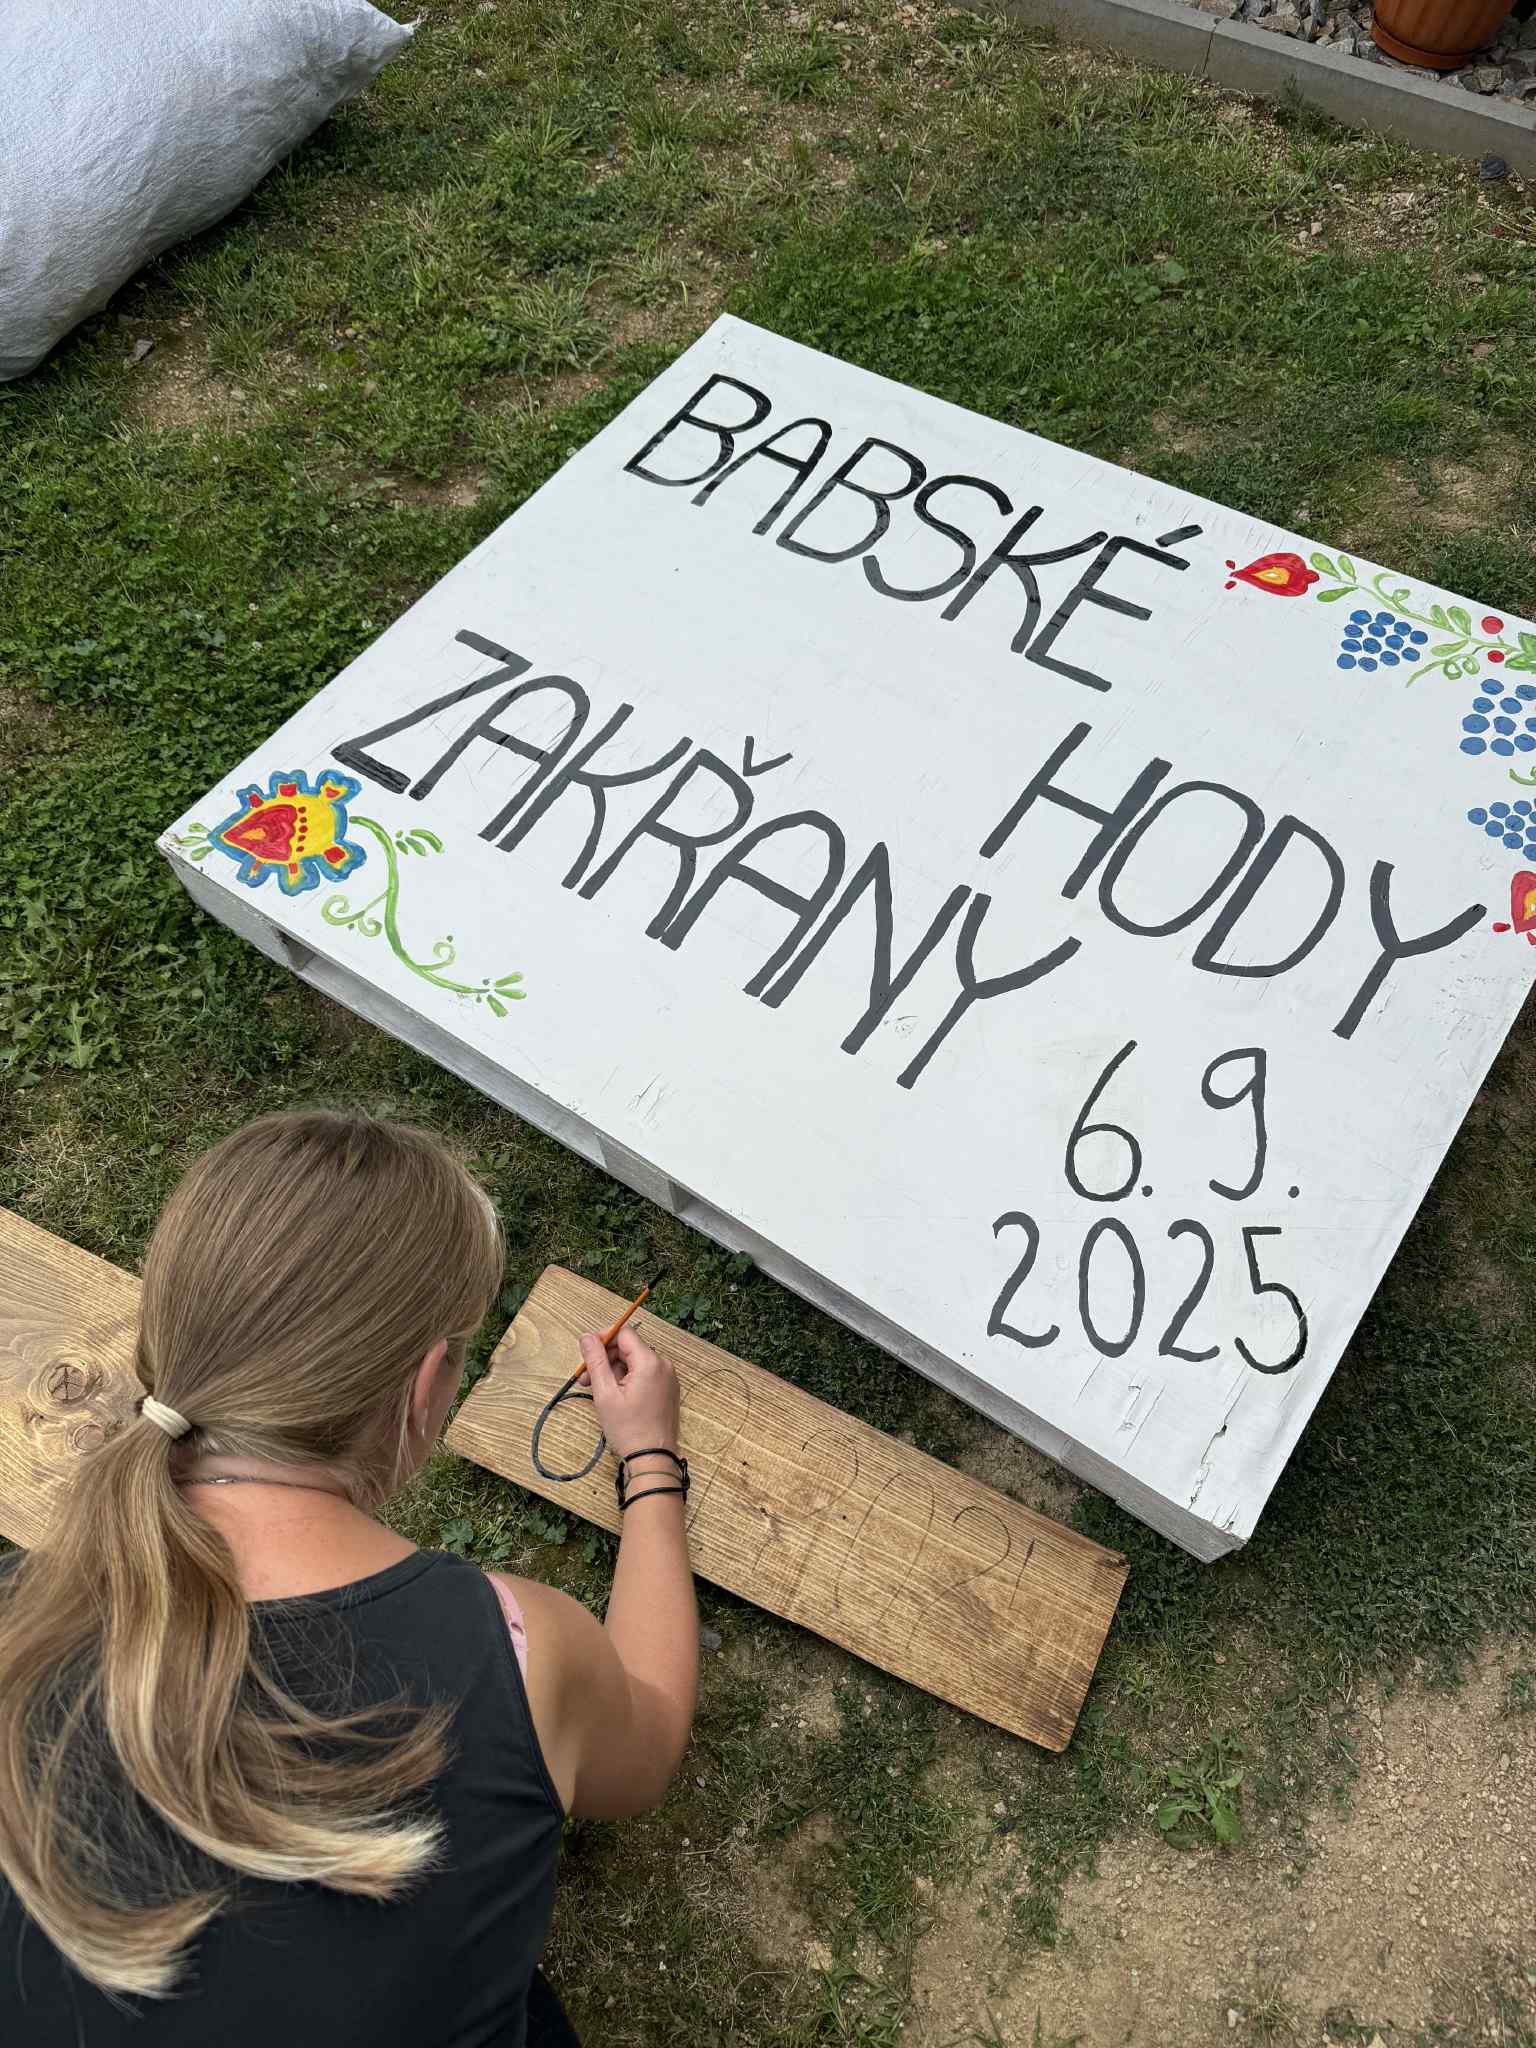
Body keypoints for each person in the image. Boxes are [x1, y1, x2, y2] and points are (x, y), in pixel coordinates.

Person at [0, 1110, 698, 2046]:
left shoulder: (15, 1622)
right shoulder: (518, 1656)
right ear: (427, 1386)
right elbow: (644, 1750)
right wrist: (649, 1459)